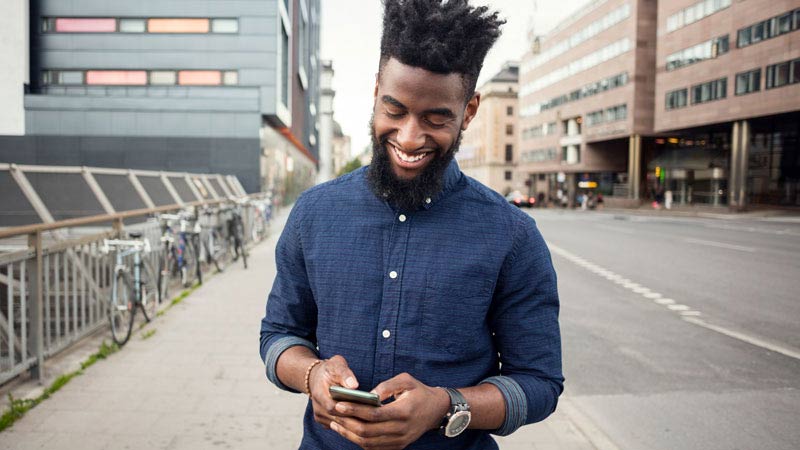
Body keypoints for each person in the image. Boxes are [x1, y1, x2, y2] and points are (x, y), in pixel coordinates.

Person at [259, 1, 563, 449]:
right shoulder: (312, 214)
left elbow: (539, 383)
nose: (408, 138)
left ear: (470, 110)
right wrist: (311, 374)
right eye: (395, 110)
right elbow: (278, 337)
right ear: (376, 88)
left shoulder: (513, 236)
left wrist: (446, 405)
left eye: (436, 119)